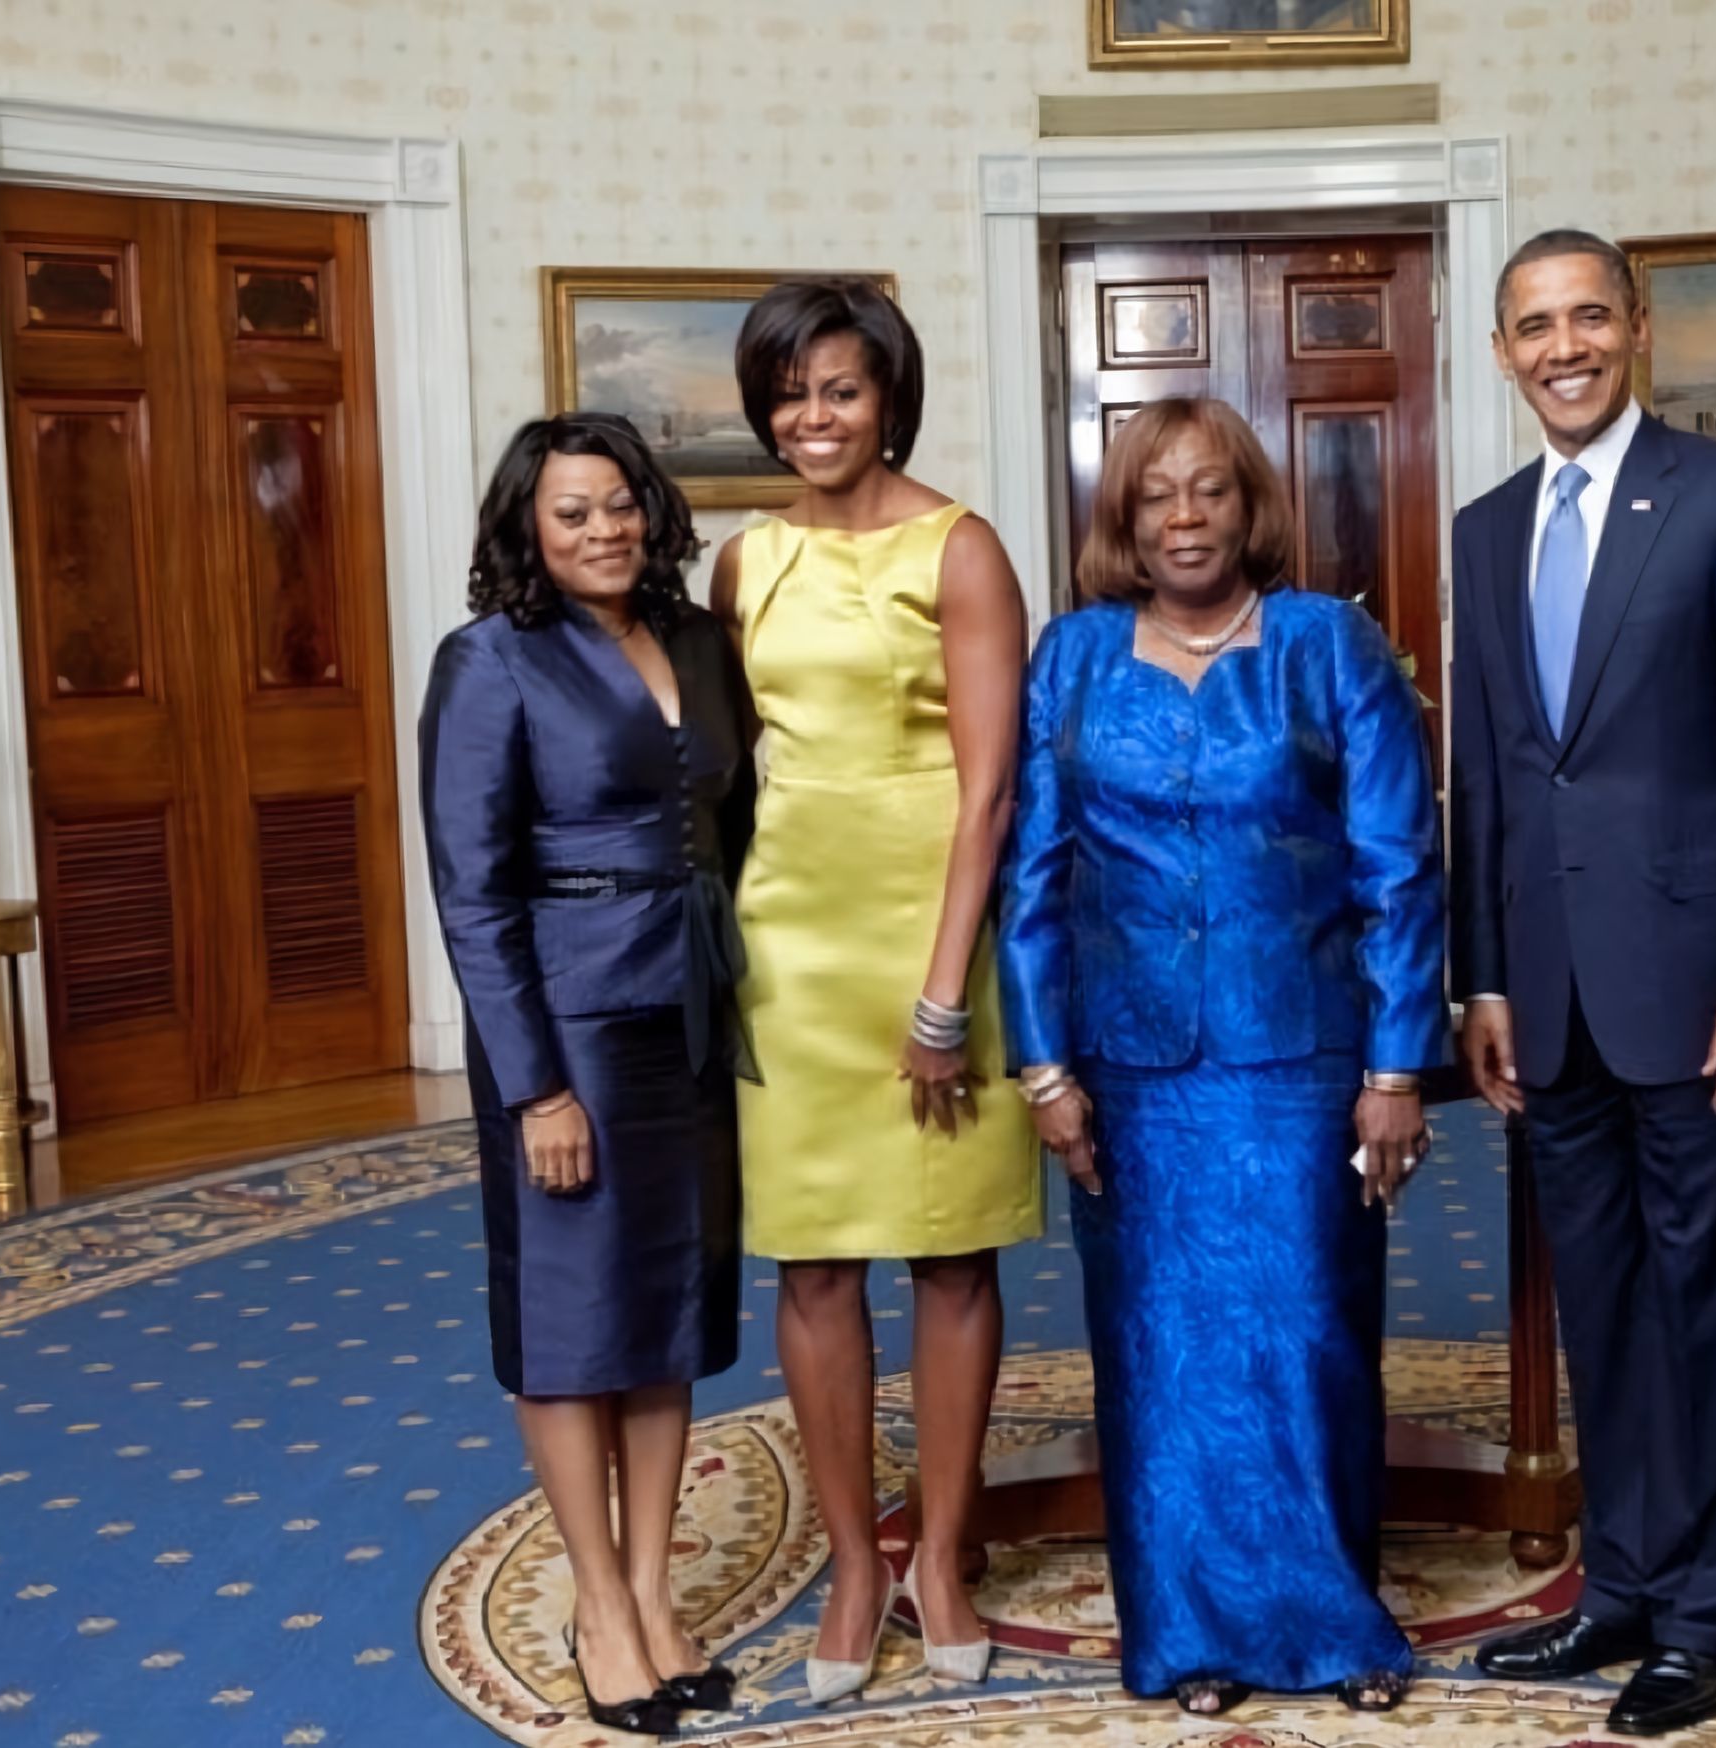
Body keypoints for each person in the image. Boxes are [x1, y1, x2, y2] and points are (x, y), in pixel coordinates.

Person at [998, 397, 1444, 1717]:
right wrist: (1043, 1068)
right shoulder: (1071, 658)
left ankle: (1336, 1626)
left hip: (1301, 1058)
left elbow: (1399, 865)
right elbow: (1031, 876)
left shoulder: (1326, 643)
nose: (1185, 518)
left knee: (1311, 1335)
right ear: (1124, 523)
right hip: (1130, 1069)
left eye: (1210, 492)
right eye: (1156, 498)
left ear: (1250, 510)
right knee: (1157, 1351)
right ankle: (1186, 1633)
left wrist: (1399, 1063)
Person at [1453, 230, 1716, 1737]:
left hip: (1697, 986)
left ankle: (1712, 1615)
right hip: (1545, 994)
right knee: (1600, 1302)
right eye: (1534, 325)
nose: (1563, 346)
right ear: (1502, 352)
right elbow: (1485, 770)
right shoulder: (1485, 530)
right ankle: (1622, 1585)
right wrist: (1481, 977)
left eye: (1588, 316)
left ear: (1639, 329)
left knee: (1714, 1300)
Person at [714, 276, 1040, 1703]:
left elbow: (992, 789)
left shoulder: (960, 549)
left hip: (931, 928)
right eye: (789, 394)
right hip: (787, 934)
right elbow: (719, 777)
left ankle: (948, 1549)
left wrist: (941, 996)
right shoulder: (741, 564)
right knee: (815, 1258)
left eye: (838, 389)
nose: (812, 417)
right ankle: (857, 1560)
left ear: (887, 394)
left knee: (952, 1251)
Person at [419, 412, 754, 1737]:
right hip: (567, 1029)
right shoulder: (491, 661)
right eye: (573, 513)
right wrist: (531, 1087)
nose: (603, 530)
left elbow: (734, 819)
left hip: (689, 1010)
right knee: (570, 1329)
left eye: (620, 505)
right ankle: (600, 1606)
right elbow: (472, 892)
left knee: (667, 1310)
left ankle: (655, 1594)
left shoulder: (697, 641)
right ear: (529, 529)